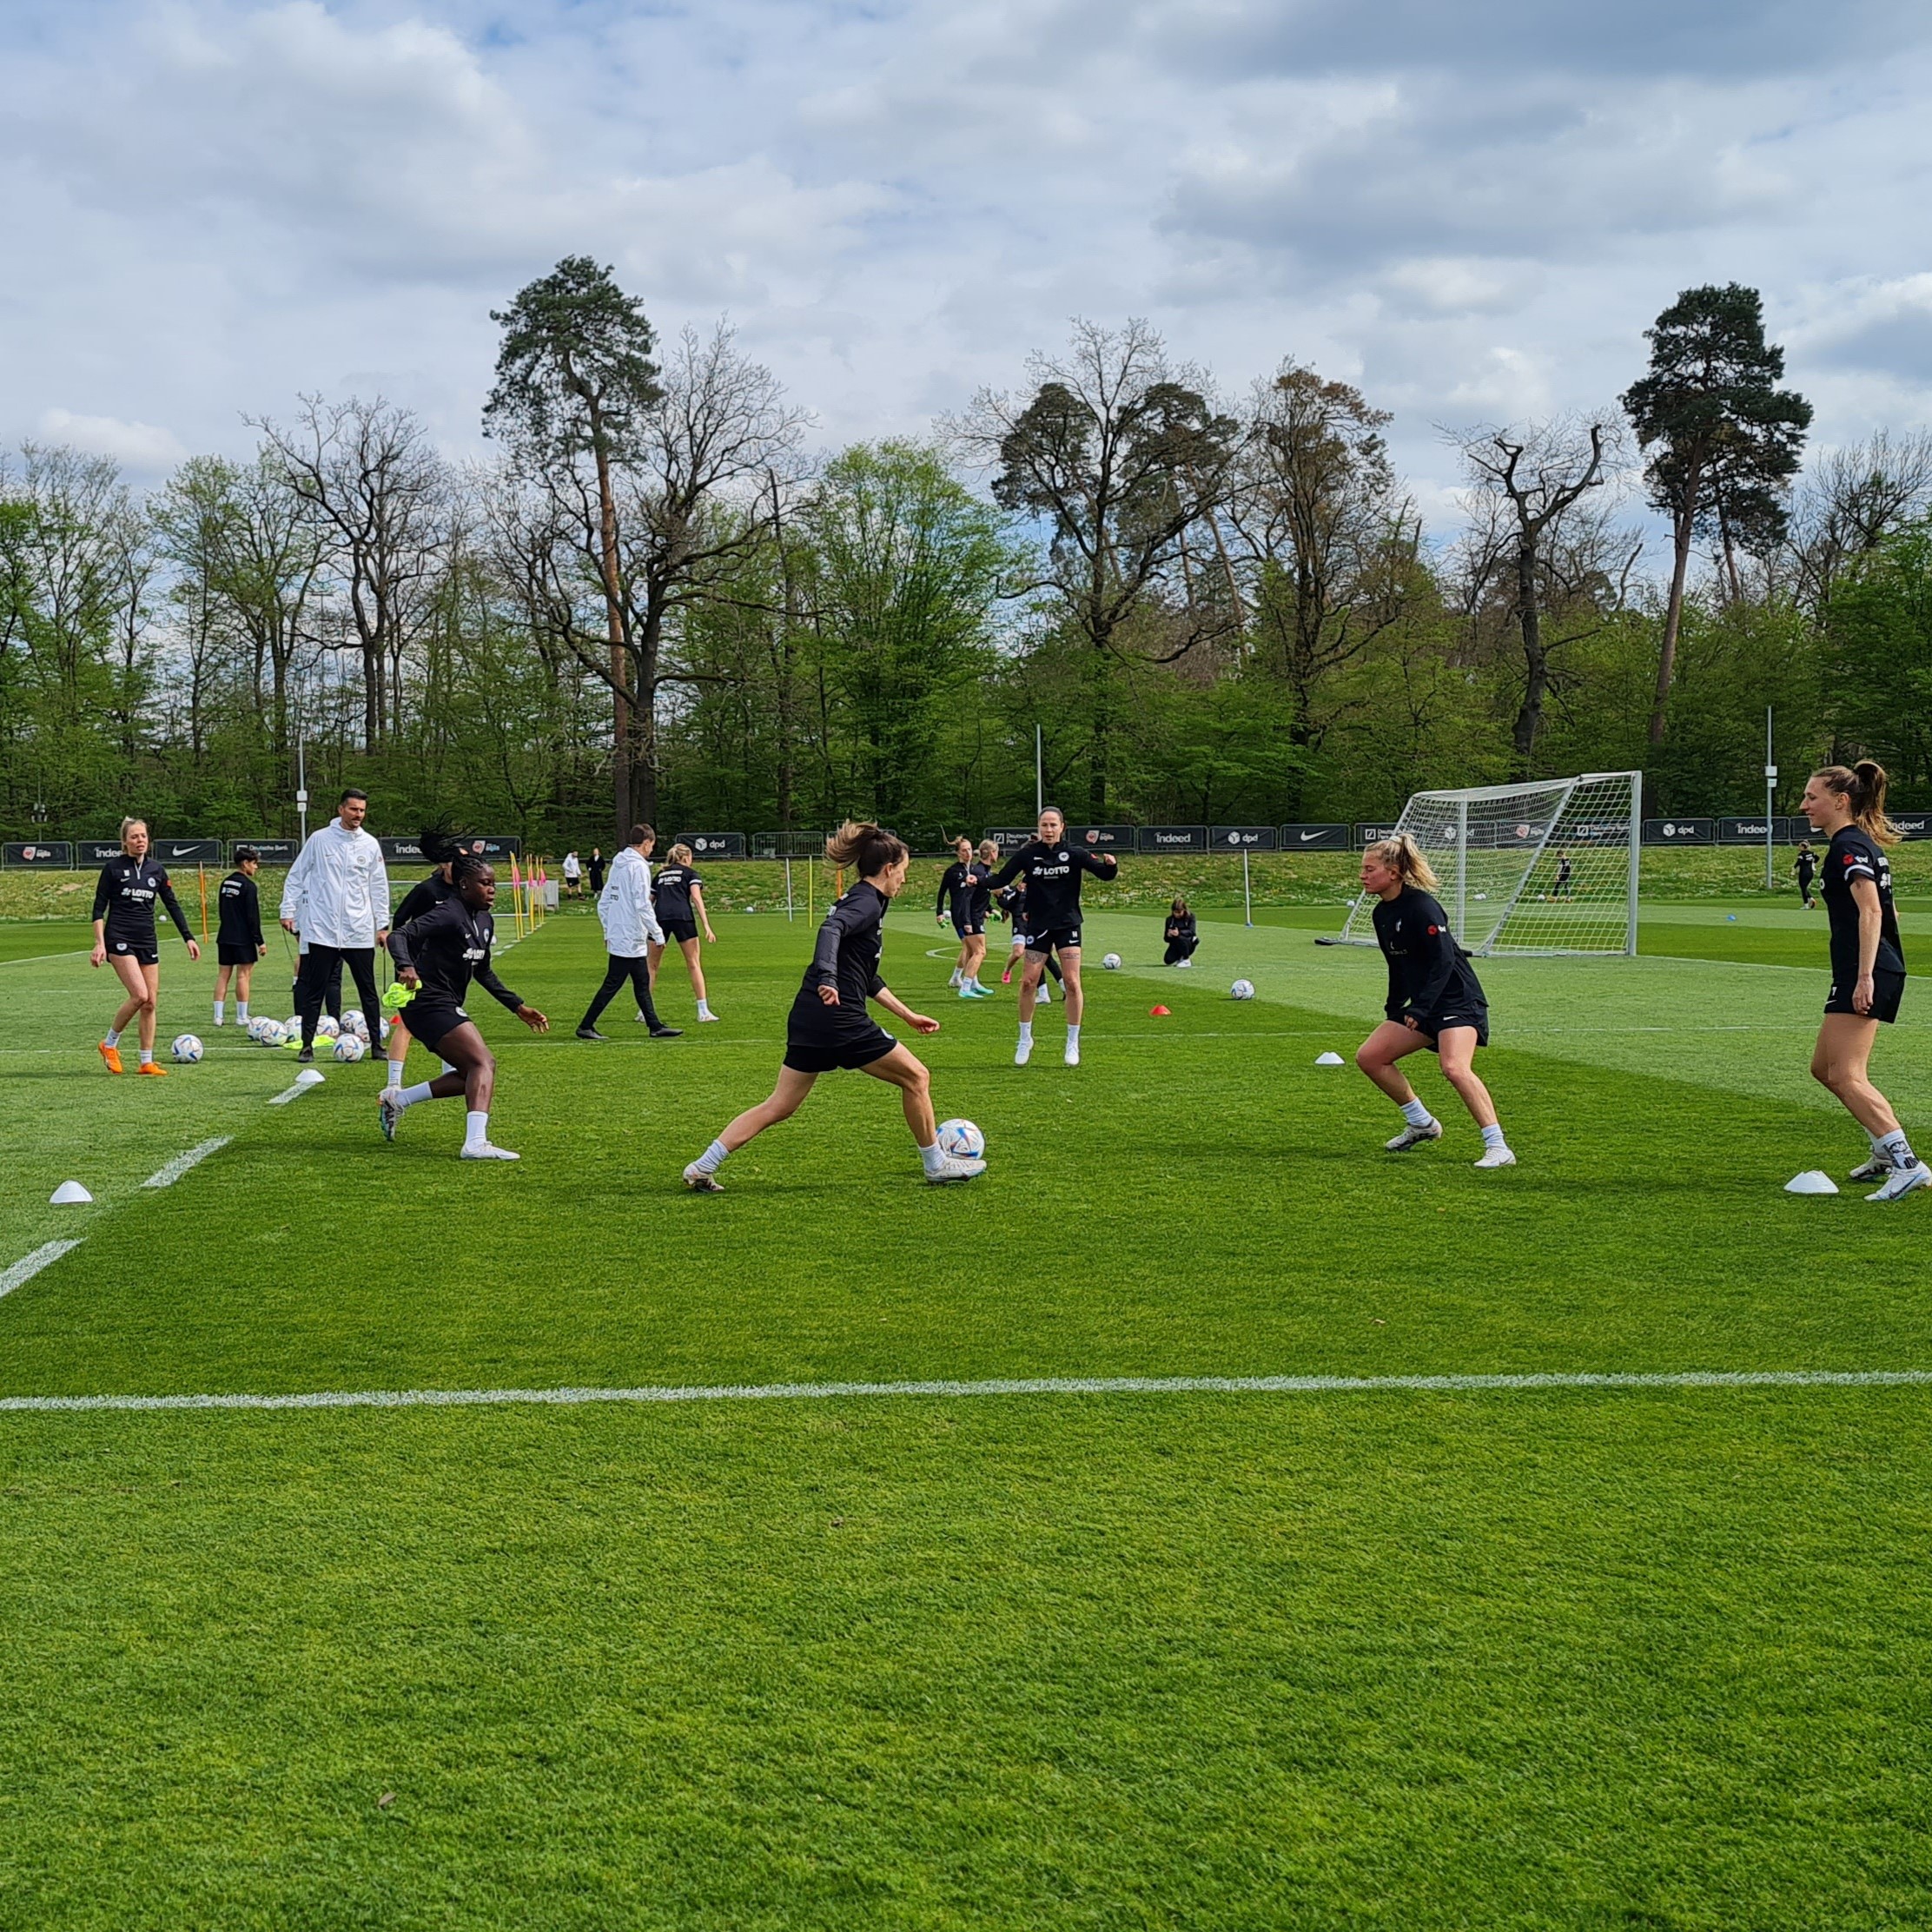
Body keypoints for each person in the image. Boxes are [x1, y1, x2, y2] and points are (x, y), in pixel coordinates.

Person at [682, 823, 983, 1191]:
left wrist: (906, 1014)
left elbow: (865, 975)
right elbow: (830, 930)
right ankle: (936, 1163)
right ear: (888, 869)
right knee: (917, 1077)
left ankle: (702, 1165)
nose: (904, 881)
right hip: (839, 1016)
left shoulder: (868, 901)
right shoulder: (866, 902)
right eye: (903, 872)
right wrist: (827, 977)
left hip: (810, 1015)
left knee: (780, 1105)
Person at [1802, 762, 1927, 1200]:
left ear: (1840, 801)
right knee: (1825, 1069)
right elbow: (1889, 912)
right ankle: (1885, 1151)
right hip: (1868, 968)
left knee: (1847, 1073)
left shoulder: (1849, 846)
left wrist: (1865, 975)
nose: (1805, 806)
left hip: (1869, 972)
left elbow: (1873, 911)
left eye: (1812, 798)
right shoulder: (1857, 844)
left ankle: (1906, 1163)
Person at [1352, 834, 1515, 1168]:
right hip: (1424, 1005)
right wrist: (1395, 1009)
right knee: (1370, 1057)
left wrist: (1421, 1007)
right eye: (1362, 869)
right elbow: (1396, 964)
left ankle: (1499, 1147)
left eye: (1370, 869)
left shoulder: (1422, 907)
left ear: (1394, 872)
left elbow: (1443, 962)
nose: (1363, 875)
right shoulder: (1382, 914)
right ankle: (1422, 1123)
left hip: (1457, 1001)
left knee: (1454, 1068)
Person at [380, 853, 549, 1159]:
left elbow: (482, 971)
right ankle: (474, 1143)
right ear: (464, 885)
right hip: (426, 1001)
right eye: (485, 883)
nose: (492, 889)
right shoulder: (448, 913)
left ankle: (398, 1100)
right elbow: (399, 936)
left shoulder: (484, 920)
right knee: (484, 1064)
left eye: (494, 884)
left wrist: (517, 1007)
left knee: (469, 1074)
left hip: (443, 1003)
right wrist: (406, 966)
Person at [987, 806, 1117, 1066]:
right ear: (1038, 828)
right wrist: (976, 881)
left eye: (1052, 825)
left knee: (1071, 982)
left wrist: (1112, 866)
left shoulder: (1075, 854)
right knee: (1027, 982)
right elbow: (1002, 878)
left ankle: (1072, 1042)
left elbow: (1104, 874)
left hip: (1067, 924)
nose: (1048, 830)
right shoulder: (1028, 855)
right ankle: (1025, 1039)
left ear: (1062, 827)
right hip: (1038, 926)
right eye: (1044, 825)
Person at [280, 789, 390, 1064]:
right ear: (341, 809)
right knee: (314, 991)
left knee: (368, 991)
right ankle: (307, 1046)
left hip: (359, 930)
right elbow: (297, 875)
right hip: (322, 930)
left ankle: (377, 1044)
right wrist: (288, 909)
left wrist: (382, 924)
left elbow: (379, 887)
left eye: (362, 810)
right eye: (354, 809)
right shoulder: (320, 839)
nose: (358, 815)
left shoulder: (370, 844)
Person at [91, 817, 201, 1075]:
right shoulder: (113, 868)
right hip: (118, 936)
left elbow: (172, 904)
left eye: (143, 836)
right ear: (124, 842)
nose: (139, 841)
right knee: (139, 995)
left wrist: (188, 937)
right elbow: (98, 908)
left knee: (150, 1002)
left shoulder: (156, 870)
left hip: (147, 939)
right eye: (134, 837)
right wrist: (99, 943)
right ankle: (109, 1044)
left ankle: (146, 1061)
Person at [575, 824, 681, 1041]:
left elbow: (604, 902)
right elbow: (642, 904)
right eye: (651, 845)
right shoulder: (639, 868)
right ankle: (586, 1025)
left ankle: (654, 1025)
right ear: (646, 844)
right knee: (614, 982)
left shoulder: (618, 865)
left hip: (620, 931)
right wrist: (658, 934)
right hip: (630, 933)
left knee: (641, 981)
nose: (651, 850)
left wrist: (608, 929)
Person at [379, 833, 461, 1096]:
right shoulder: (427, 890)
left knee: (451, 1016)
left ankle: (450, 1073)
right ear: (444, 864)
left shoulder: (463, 891)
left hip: (447, 968)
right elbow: (401, 921)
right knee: (407, 1022)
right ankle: (393, 1083)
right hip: (415, 966)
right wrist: (406, 959)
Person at [649, 843, 719, 1022]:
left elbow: (649, 901)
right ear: (687, 857)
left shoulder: (660, 874)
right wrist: (707, 925)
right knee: (693, 963)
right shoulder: (690, 874)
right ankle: (703, 1011)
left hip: (660, 918)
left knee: (651, 966)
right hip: (683, 917)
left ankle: (644, 1011)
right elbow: (696, 897)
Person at [936, 837, 996, 998]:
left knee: (970, 949)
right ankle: (964, 982)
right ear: (958, 853)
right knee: (972, 949)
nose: (968, 853)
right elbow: (942, 893)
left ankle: (964, 981)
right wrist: (939, 913)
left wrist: (988, 909)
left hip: (971, 913)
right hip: (960, 914)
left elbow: (977, 894)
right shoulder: (953, 872)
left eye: (970, 849)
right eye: (964, 850)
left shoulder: (975, 869)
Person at [212, 846, 266, 1028]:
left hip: (225, 935)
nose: (256, 867)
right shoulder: (249, 886)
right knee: (243, 975)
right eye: (254, 863)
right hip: (243, 938)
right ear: (245, 864)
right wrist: (259, 940)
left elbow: (221, 910)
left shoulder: (225, 883)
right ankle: (241, 1016)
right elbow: (253, 916)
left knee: (223, 975)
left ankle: (218, 1017)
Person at [995, 877, 1057, 1000]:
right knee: (1018, 953)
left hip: (1032, 923)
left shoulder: (1014, 888)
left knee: (1043, 954)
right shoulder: (1001, 900)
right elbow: (1009, 906)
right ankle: (1007, 970)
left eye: (993, 889)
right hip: (1019, 925)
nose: (993, 892)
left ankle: (1044, 988)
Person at [1163, 897, 1199, 967]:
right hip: (1175, 944)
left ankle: (1186, 959)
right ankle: (1180, 957)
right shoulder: (1169, 920)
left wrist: (1179, 933)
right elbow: (1166, 939)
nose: (1177, 914)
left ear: (1184, 910)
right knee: (1168, 960)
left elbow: (1192, 932)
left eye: (1179, 912)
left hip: (1188, 943)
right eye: (1175, 912)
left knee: (1180, 938)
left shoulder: (1191, 917)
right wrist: (1168, 935)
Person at [1795, 839, 1818, 910]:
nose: (1799, 848)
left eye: (1800, 846)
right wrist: (1813, 864)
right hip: (1810, 873)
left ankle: (1807, 903)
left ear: (1803, 847)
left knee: (1803, 888)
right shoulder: (1812, 853)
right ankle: (1809, 901)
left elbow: (1799, 862)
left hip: (1803, 873)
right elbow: (1817, 858)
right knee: (1804, 887)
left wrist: (1793, 869)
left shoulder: (1801, 854)